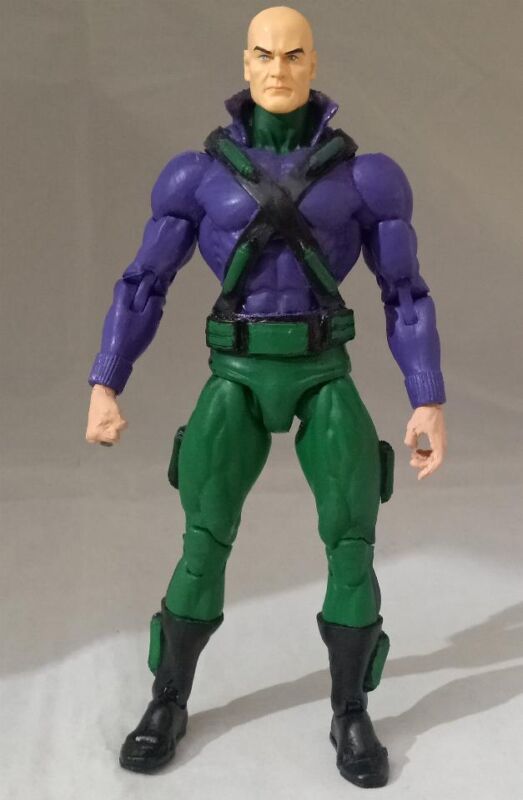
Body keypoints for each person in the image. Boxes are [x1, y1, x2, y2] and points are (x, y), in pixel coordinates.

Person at [86, 6, 447, 788]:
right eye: (262, 55)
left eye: (291, 55)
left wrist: (426, 396)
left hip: (323, 373)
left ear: (313, 63)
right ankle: (168, 698)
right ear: (243, 63)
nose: (277, 70)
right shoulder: (195, 177)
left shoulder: (367, 179)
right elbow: (144, 283)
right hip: (236, 374)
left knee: (351, 543)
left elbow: (404, 293)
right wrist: (107, 379)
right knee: (202, 541)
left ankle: (350, 711)